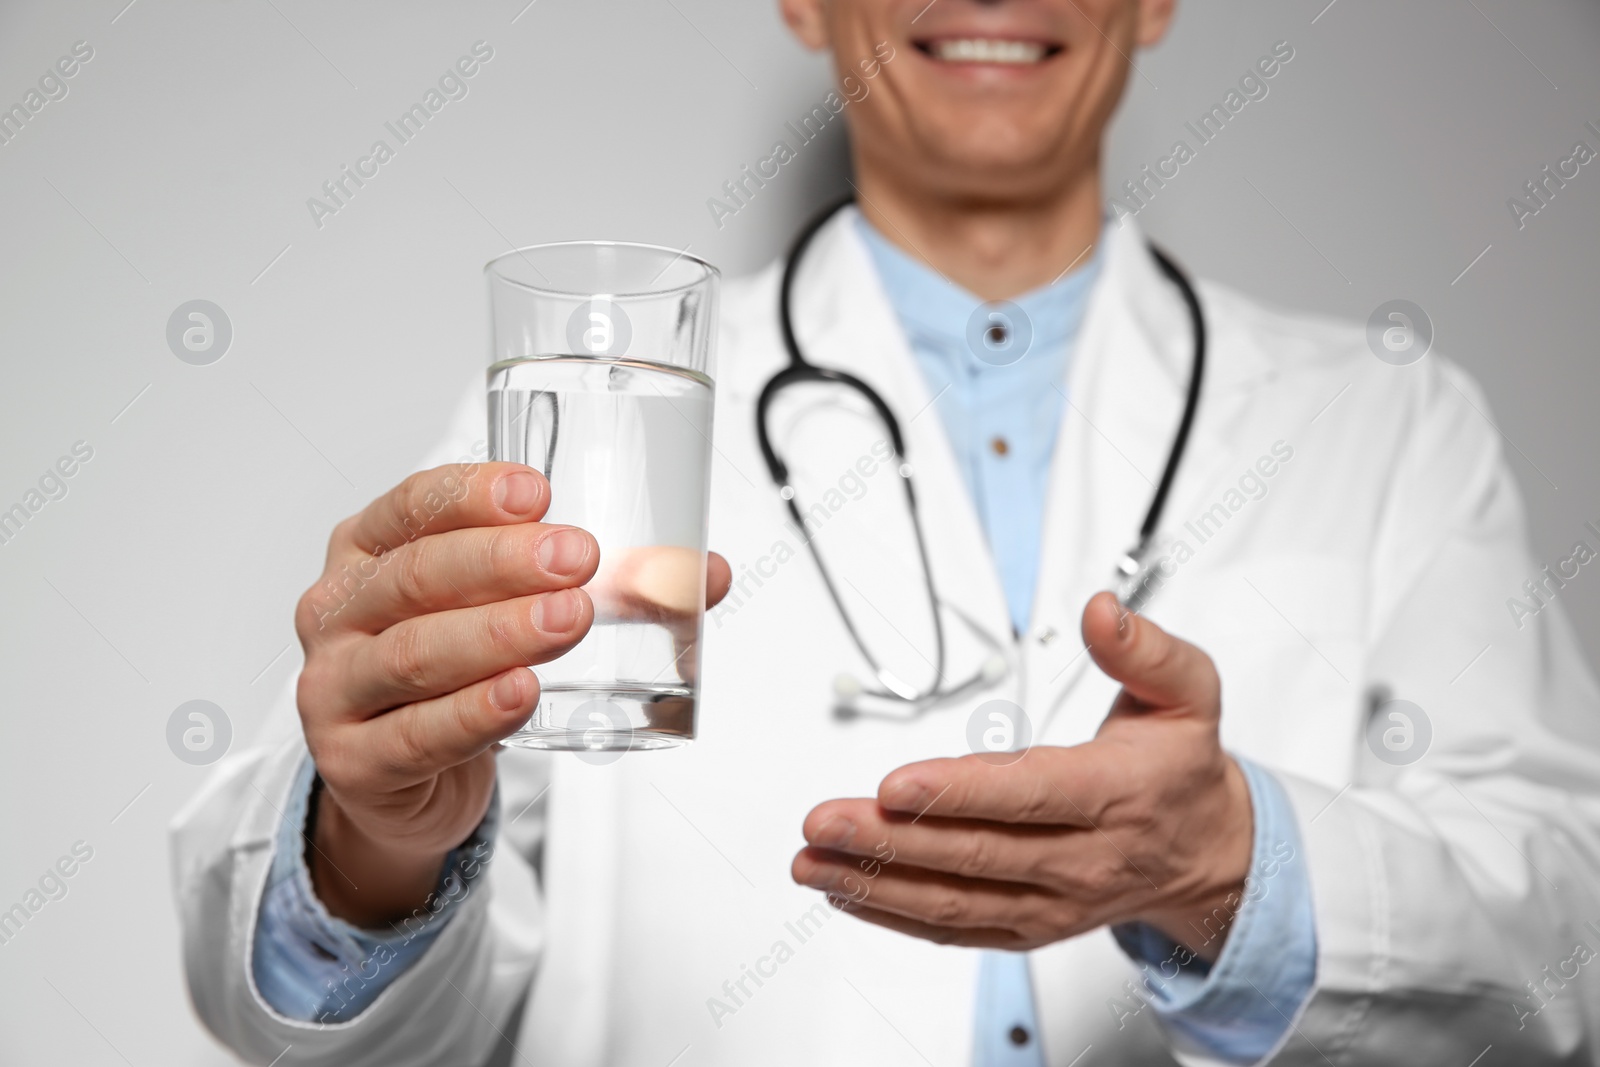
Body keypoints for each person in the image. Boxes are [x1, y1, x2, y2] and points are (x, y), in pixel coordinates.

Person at [172, 0, 1600, 1064]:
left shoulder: (1388, 421)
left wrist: (1240, 866)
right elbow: (319, 1005)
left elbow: (1567, 962)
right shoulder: (602, 410)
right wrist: (368, 841)